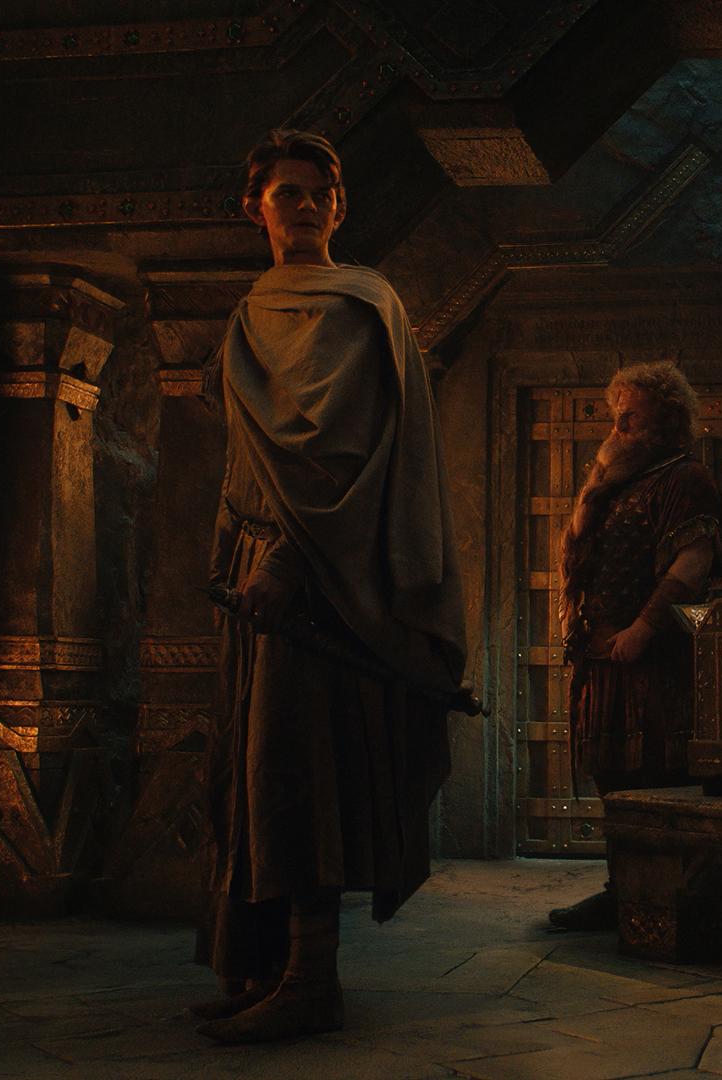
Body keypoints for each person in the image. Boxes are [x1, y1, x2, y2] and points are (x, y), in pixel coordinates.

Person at [195, 130, 468, 1044]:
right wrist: (234, 553)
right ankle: (260, 968)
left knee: (298, 768)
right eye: (288, 193)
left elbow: (336, 448)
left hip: (321, 577)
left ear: (340, 208)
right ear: (256, 208)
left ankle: (313, 980)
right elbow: (247, 454)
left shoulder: (360, 302)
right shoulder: (250, 308)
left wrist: (283, 560)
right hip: (254, 575)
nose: (306, 206)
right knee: (250, 766)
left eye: (320, 193)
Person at [546, 362, 722, 931]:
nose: (617, 429)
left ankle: (668, 897)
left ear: (666, 421)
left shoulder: (686, 478)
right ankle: (622, 890)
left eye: (630, 420)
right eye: (616, 418)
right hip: (602, 658)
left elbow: (692, 563)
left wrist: (643, 629)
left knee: (655, 778)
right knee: (614, 780)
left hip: (653, 662)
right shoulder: (614, 480)